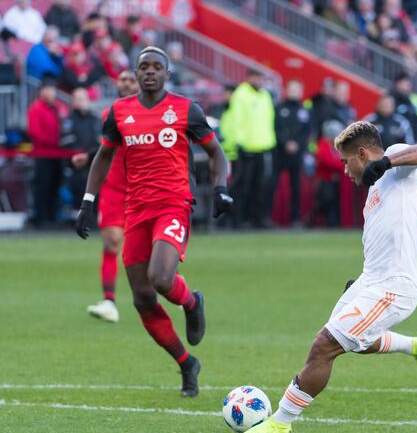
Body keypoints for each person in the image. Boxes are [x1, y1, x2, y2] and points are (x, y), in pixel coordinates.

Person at [247, 121, 417, 433]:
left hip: (394, 287)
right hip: (371, 281)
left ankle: (279, 425)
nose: (345, 170)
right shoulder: (376, 188)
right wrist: (360, 287)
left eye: (346, 162)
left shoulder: (395, 161)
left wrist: (385, 163)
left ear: (362, 154)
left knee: (324, 345)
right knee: (354, 341)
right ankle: (415, 345)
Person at [75, 47, 233, 397]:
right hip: (136, 209)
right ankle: (187, 364)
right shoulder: (119, 112)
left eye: (156, 67)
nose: (149, 72)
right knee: (143, 298)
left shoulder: (186, 109)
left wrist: (220, 189)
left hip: (173, 204)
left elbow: (216, 153)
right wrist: (87, 201)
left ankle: (191, 302)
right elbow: (103, 156)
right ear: (136, 72)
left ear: (167, 73)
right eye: (143, 66)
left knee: (161, 278)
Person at [84, 71, 138, 323]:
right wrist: (88, 157)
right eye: (122, 79)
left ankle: (176, 288)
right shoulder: (110, 114)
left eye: (131, 80)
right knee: (111, 242)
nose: (125, 83)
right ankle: (109, 301)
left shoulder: (153, 114)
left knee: (152, 248)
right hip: (114, 188)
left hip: (143, 188)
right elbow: (107, 147)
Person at [226, 69, 276, 228]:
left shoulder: (265, 95)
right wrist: (240, 143)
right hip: (246, 148)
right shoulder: (241, 94)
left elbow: (268, 120)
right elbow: (236, 120)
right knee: (242, 186)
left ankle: (257, 218)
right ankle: (238, 219)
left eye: (261, 78)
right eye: (256, 78)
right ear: (249, 78)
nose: (259, 81)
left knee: (260, 186)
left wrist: (269, 142)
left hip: (263, 146)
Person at [275, 79, 311, 226]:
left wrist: (297, 144)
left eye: (297, 89)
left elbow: (307, 131)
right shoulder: (278, 108)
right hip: (279, 153)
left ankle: (295, 218)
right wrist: (285, 143)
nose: (295, 92)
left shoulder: (304, 110)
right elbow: (275, 128)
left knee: (296, 188)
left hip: (297, 154)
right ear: (286, 90)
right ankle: (266, 217)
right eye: (292, 89)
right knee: (272, 185)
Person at [29, 81, 65, 227]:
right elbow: (35, 132)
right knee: (43, 185)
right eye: (48, 89)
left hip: (57, 154)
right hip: (43, 153)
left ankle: (52, 216)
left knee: (55, 185)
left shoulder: (57, 107)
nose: (51, 93)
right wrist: (55, 142)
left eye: (52, 90)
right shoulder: (36, 109)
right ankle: (42, 218)